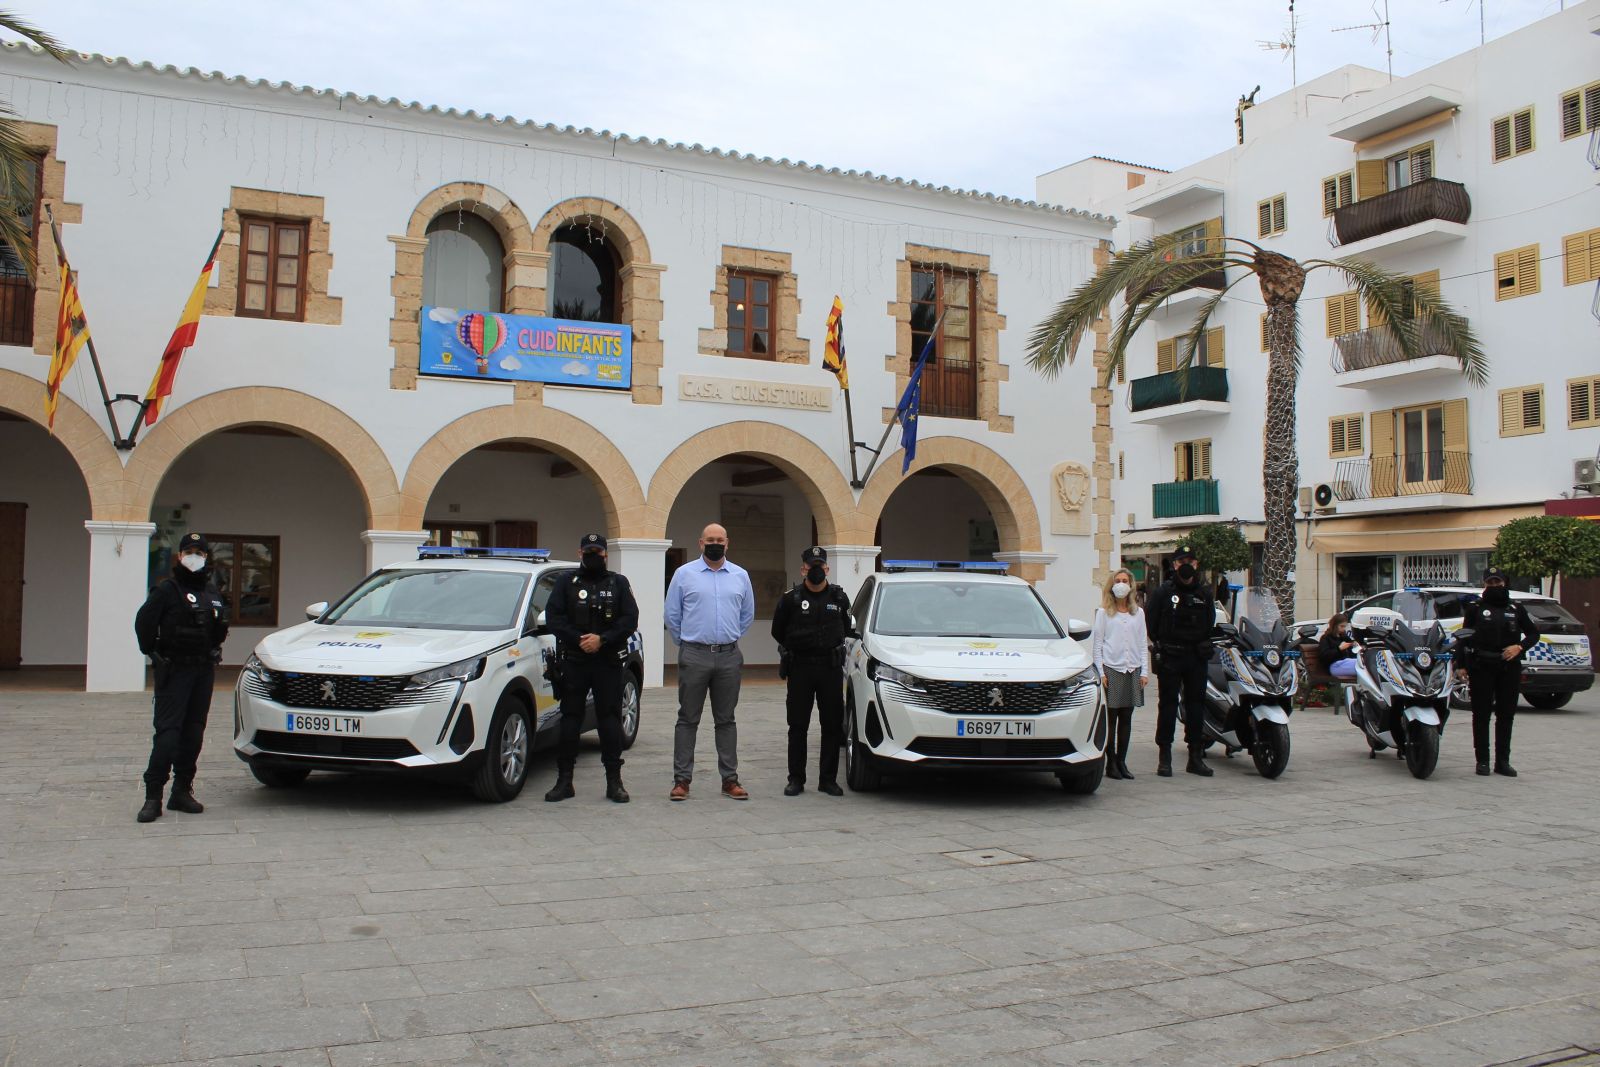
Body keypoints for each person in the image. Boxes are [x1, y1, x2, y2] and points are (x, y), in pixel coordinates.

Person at [133, 532, 229, 823]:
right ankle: (153, 796)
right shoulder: (167, 590)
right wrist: (154, 654)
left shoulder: (212, 592)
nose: (194, 557)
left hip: (202, 671)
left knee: (194, 733)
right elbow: (144, 624)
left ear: (206, 557)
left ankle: (182, 790)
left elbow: (219, 629)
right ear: (179, 556)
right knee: (168, 734)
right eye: (189, 551)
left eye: (199, 553)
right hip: (175, 672)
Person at [542, 533, 640, 804]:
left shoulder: (618, 583)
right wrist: (579, 639)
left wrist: (602, 640)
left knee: (609, 720)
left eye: (598, 551)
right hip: (574, 661)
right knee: (570, 719)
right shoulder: (566, 582)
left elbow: (629, 619)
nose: (593, 555)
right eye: (589, 551)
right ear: (580, 552)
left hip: (607, 662)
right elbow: (554, 618)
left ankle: (614, 782)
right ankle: (564, 781)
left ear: (606, 554)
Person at [664, 523, 755, 800]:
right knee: (687, 719)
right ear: (701, 543)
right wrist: (689, 642)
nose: (715, 543)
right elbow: (672, 614)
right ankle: (682, 781)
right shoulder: (684, 574)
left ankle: (730, 780)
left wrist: (728, 637)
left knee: (726, 720)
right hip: (694, 654)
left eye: (720, 540)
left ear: (727, 544)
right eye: (710, 540)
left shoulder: (740, 575)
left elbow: (747, 614)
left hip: (728, 655)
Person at [771, 546, 854, 797]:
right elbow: (778, 630)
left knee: (831, 726)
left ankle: (827, 780)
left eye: (820, 566)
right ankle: (796, 779)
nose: (816, 570)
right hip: (801, 668)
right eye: (811, 566)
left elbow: (848, 628)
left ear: (827, 569)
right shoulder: (791, 598)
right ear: (803, 569)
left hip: (830, 668)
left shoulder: (839, 598)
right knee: (798, 726)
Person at [1455, 567, 1539, 777]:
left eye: (1497, 582)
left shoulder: (1516, 608)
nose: (1494, 586)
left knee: (1506, 715)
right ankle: (1482, 761)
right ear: (1485, 584)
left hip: (1508, 666)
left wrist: (1519, 647)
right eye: (1490, 583)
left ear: (1504, 583)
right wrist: (1461, 665)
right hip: (1481, 665)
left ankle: (1503, 762)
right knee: (1481, 715)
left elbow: (1533, 634)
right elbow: (1464, 637)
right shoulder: (1475, 607)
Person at [1145, 545, 1217, 777]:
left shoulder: (1204, 593)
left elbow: (1209, 623)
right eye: (1181, 561)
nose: (1186, 565)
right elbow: (1151, 622)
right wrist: (1161, 644)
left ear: (1196, 565)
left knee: (1196, 706)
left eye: (1190, 561)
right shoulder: (1163, 592)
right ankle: (1164, 756)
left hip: (1196, 657)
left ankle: (1195, 756)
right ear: (1174, 565)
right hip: (1171, 656)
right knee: (1167, 706)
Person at [1092, 568, 1149, 781]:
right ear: (1112, 584)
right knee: (1111, 719)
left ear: (1131, 585)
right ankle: (1111, 761)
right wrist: (1100, 671)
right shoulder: (1104, 613)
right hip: (1112, 670)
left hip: (1132, 669)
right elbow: (1098, 644)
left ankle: (1122, 761)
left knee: (1127, 718)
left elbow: (1143, 643)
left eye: (1125, 580)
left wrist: (1144, 671)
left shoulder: (1139, 613)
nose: (1122, 584)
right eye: (1118, 580)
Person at [1319, 613, 1359, 681]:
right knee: (1363, 667)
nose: (1343, 629)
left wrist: (1355, 646)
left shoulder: (1343, 637)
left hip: (1346, 663)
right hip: (1335, 666)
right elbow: (1324, 656)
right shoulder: (1326, 638)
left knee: (1365, 663)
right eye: (1341, 626)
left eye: (1345, 626)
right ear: (1334, 625)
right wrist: (1339, 649)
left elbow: (1351, 654)